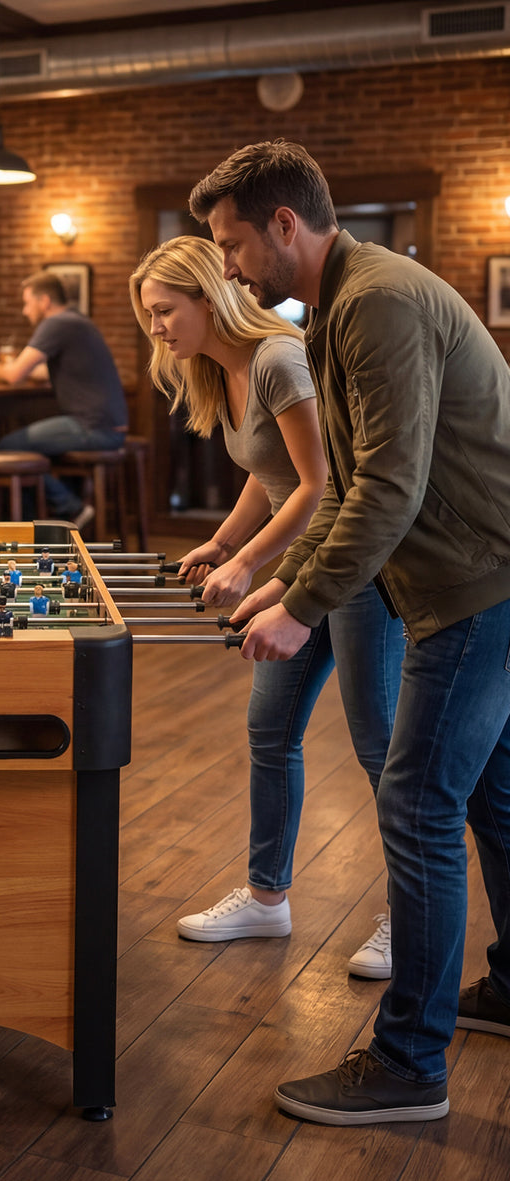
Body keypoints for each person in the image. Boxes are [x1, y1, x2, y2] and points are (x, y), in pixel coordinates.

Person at [189, 138, 510, 1125]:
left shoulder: (374, 301)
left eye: (235, 244)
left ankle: (410, 1064)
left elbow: (390, 487)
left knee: (415, 809)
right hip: (476, 576)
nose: (231, 267)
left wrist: (299, 604)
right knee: (494, 798)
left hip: (477, 584)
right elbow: (346, 485)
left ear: (286, 224)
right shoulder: (340, 305)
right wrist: (275, 577)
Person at [128, 235, 402, 974]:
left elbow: (320, 487)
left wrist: (251, 566)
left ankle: (409, 916)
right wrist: (222, 543)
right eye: (148, 315)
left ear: (205, 298)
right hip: (297, 568)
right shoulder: (226, 373)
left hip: (351, 568)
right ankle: (266, 897)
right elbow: (267, 472)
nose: (155, 328)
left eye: (162, 311)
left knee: (381, 750)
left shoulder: (280, 359)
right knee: (269, 731)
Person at [0, 272, 129, 527]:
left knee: (9, 447)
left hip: (93, 426)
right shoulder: (77, 320)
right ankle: (51, 519)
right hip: (109, 424)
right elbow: (42, 372)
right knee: (28, 452)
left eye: (27, 303)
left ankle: (68, 509)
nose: (25, 311)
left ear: (45, 301)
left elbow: (15, 374)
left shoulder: (56, 323)